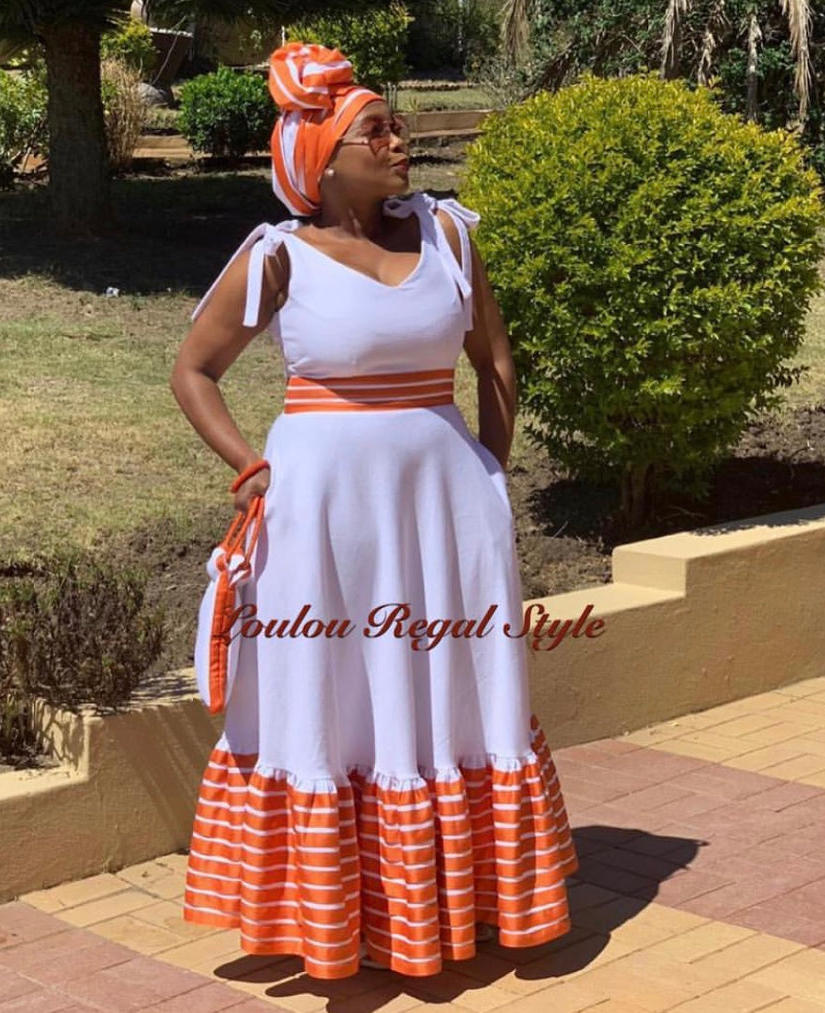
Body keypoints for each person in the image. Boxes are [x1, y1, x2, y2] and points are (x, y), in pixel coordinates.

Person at [169, 41, 579, 980]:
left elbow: (495, 359)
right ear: (321, 159)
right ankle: (336, 919)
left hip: (445, 507)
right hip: (321, 511)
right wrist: (248, 468)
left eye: (399, 125)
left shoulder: (448, 234)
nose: (403, 141)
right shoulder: (277, 258)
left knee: (452, 696)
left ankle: (457, 900)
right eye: (377, 131)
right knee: (338, 694)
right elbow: (194, 370)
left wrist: (488, 472)